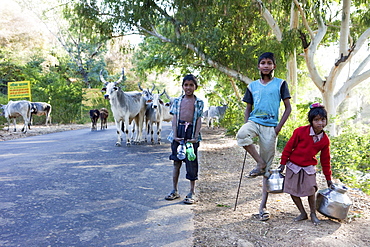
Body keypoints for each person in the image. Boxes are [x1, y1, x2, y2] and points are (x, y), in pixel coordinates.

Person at [236, 52, 292, 221]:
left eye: (269, 63)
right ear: (258, 66)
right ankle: (259, 162)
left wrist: (277, 129)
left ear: (274, 66)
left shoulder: (281, 84)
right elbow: (248, 108)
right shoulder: (252, 86)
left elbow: (288, 108)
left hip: (271, 127)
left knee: (267, 171)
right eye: (263, 63)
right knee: (242, 135)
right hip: (254, 122)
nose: (266, 65)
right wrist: (247, 123)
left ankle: (263, 207)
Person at [279, 103, 333, 225]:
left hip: (308, 167)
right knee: (292, 190)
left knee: (311, 190)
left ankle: (313, 213)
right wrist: (282, 164)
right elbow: (288, 148)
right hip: (293, 165)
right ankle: (303, 213)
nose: (320, 123)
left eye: (323, 120)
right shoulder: (300, 132)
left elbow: (325, 160)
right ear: (311, 121)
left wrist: (328, 179)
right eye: (316, 120)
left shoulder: (324, 140)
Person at [165, 74, 204, 204]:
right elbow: (175, 118)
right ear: (182, 87)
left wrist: (195, 137)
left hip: (191, 134)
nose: (188, 87)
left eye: (191, 85)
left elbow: (198, 120)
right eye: (186, 85)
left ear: (195, 87)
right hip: (179, 133)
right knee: (176, 162)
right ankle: (174, 190)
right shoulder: (177, 101)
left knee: (191, 162)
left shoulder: (198, 102)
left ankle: (192, 192)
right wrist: (175, 135)